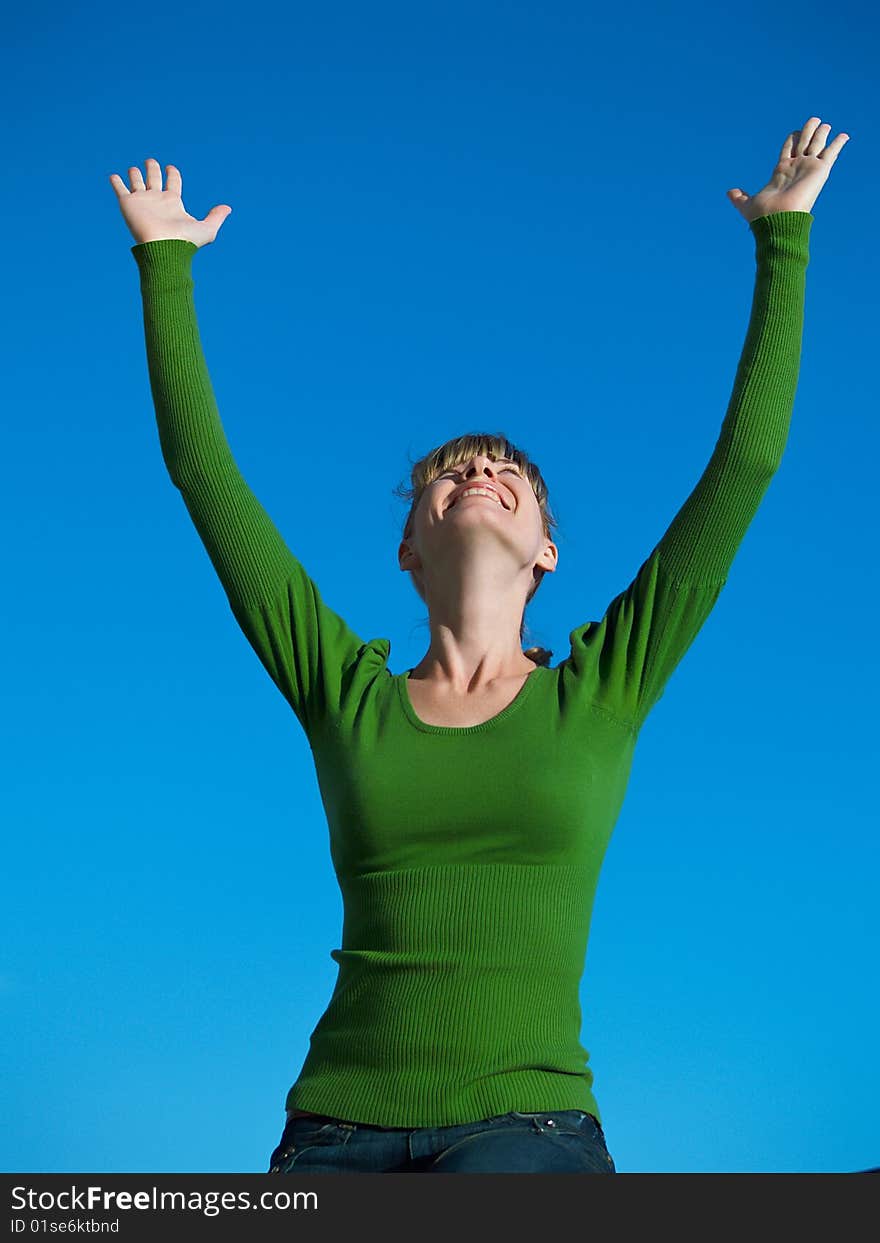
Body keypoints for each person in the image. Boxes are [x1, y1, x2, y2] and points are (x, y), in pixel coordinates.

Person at [109, 117, 849, 1174]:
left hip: (526, 1124)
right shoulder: (342, 689)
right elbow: (205, 475)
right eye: (447, 472)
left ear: (547, 549)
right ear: (407, 546)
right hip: (332, 1130)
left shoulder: (601, 688)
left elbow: (747, 465)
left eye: (509, 470)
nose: (479, 471)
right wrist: (163, 263)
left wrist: (784, 240)